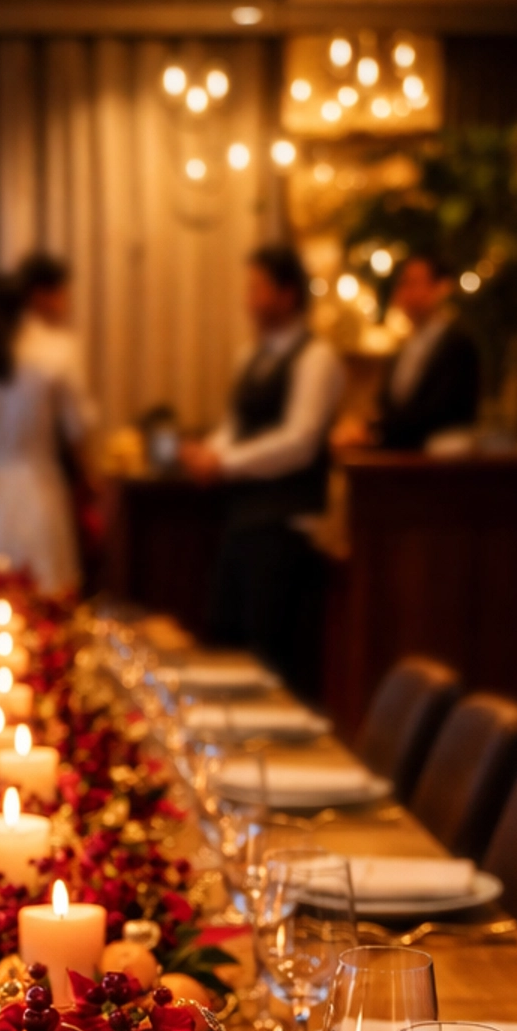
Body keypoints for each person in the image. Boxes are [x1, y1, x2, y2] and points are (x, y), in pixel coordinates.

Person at [180, 244, 346, 702]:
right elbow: (236, 426)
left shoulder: (317, 358)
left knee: (270, 655)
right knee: (227, 639)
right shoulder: (250, 357)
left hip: (286, 525)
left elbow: (299, 441)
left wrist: (225, 463)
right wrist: (207, 452)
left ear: (287, 295)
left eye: (257, 289)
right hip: (241, 519)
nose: (248, 300)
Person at [0, 272, 90, 591]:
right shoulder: (57, 357)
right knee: (47, 591)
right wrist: (91, 483)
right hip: (41, 487)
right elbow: (77, 430)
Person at [14, 248, 102, 580]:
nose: (67, 303)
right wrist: (90, 477)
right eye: (64, 294)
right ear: (40, 295)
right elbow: (75, 425)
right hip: (44, 481)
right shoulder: (58, 349)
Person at [375, 252, 480, 449]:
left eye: (413, 283)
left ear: (442, 288)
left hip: (441, 463)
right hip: (401, 456)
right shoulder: (404, 347)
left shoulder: (457, 344)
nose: (404, 293)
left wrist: (376, 430)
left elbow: (441, 410)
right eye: (402, 284)